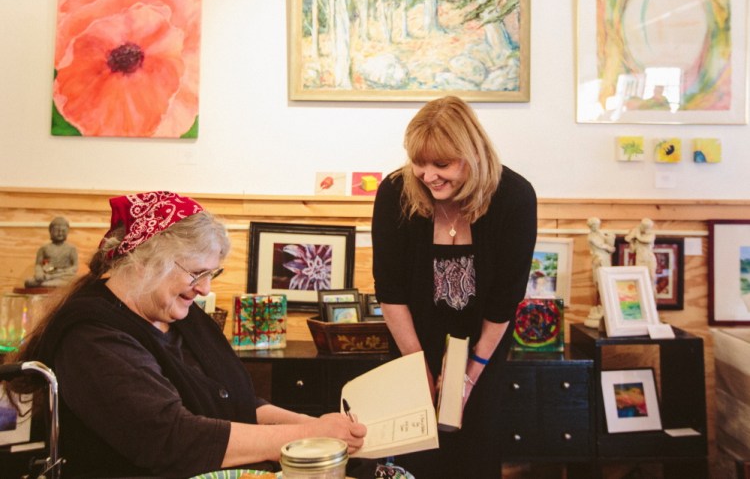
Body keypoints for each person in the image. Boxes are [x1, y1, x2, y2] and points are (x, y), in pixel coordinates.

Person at [6, 191, 365, 478]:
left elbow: (239, 404)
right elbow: (172, 441)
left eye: (212, 273)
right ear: (145, 261)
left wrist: (314, 426)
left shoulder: (182, 315)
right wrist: (305, 437)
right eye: (196, 273)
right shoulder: (91, 338)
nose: (206, 289)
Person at [371, 96, 537, 478]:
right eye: (419, 163)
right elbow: (391, 291)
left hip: (483, 346)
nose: (428, 175)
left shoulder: (514, 197)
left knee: (474, 452)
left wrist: (472, 371)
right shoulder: (396, 192)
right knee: (416, 456)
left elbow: (504, 300)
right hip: (411, 343)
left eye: (442, 164)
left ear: (472, 154)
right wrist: (417, 368)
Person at [24, 216, 78, 289]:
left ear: (67, 232)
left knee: (74, 280)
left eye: (63, 231)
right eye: (56, 231)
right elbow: (38, 265)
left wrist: (65, 271)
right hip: (48, 274)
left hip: (63, 275)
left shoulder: (71, 248)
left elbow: (75, 266)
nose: (60, 233)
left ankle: (48, 284)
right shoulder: (44, 248)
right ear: (50, 231)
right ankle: (49, 283)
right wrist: (39, 273)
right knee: (29, 282)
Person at [625, 218, 657, 286]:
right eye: (645, 227)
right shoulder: (637, 239)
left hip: (649, 258)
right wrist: (631, 241)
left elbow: (644, 240)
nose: (646, 230)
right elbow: (632, 250)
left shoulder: (651, 235)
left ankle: (652, 294)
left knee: (651, 276)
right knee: (640, 278)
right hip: (640, 259)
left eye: (648, 228)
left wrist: (636, 233)